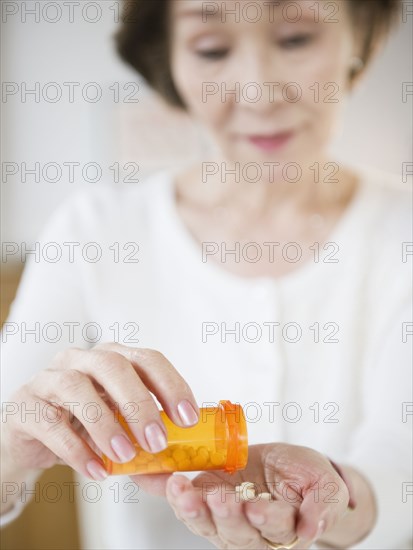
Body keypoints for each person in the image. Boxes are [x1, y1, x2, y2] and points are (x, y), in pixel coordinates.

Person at [1, 1, 411, 548]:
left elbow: (401, 460)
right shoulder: (93, 230)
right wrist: (10, 453)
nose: (260, 92)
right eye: (212, 49)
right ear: (169, 63)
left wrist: (336, 499)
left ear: (358, 42)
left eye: (296, 39)